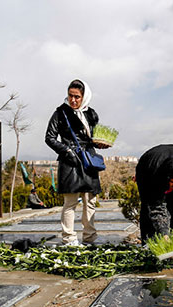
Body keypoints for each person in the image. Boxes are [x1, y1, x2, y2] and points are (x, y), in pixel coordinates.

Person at [45, 79, 103, 246]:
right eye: (70, 96)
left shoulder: (91, 114)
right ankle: (69, 238)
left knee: (90, 201)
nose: (73, 100)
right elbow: (49, 138)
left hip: (88, 161)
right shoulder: (60, 113)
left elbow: (94, 138)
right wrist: (67, 151)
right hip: (70, 161)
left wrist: (100, 143)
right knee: (70, 203)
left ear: (84, 96)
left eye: (77, 96)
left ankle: (89, 238)